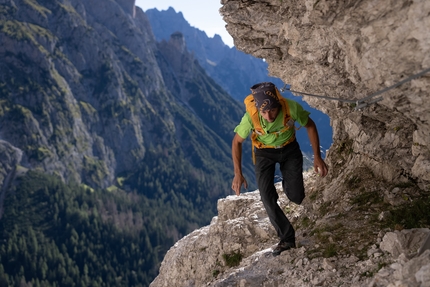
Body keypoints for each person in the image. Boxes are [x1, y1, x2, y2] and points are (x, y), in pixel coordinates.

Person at [231, 82, 328, 256]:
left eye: (272, 111)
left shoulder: (291, 108)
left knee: (296, 196)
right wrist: (238, 174)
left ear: (279, 105)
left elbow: (310, 125)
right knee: (266, 197)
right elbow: (237, 141)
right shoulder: (251, 117)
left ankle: (288, 184)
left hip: (290, 149)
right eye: (264, 112)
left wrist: (318, 157)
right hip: (263, 153)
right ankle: (287, 239)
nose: (268, 116)